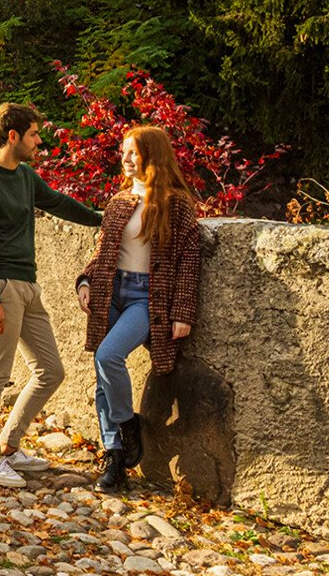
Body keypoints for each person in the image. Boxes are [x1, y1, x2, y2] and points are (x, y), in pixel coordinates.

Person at [0, 102, 104, 488]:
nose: (39, 141)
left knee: (51, 370)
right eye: (34, 135)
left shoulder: (25, 177)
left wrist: (105, 217)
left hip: (28, 286)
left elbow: (58, 203)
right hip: (1, 288)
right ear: (13, 136)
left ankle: (8, 445)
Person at [77, 125, 203, 492]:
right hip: (110, 291)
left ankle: (127, 422)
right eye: (124, 152)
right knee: (102, 375)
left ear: (153, 155)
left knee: (108, 356)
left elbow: (189, 260)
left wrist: (183, 311)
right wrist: (85, 281)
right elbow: (102, 251)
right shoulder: (119, 201)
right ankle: (115, 457)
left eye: (133, 152)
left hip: (147, 297)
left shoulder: (177, 204)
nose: (125, 159)